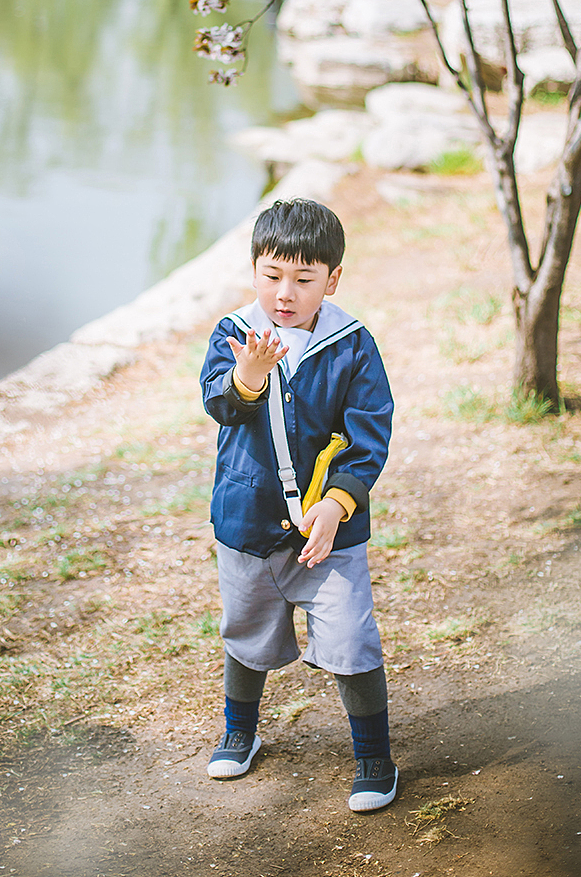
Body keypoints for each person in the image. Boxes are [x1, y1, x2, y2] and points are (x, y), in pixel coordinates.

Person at [199, 197, 397, 812]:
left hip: (327, 529)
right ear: (254, 270)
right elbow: (219, 404)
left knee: (351, 636)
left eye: (304, 280)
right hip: (249, 521)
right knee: (246, 629)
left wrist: (338, 505)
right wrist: (249, 378)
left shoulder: (351, 345)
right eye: (272, 275)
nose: (284, 293)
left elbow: (369, 435)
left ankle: (374, 757)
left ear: (331, 280)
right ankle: (240, 731)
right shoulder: (235, 333)